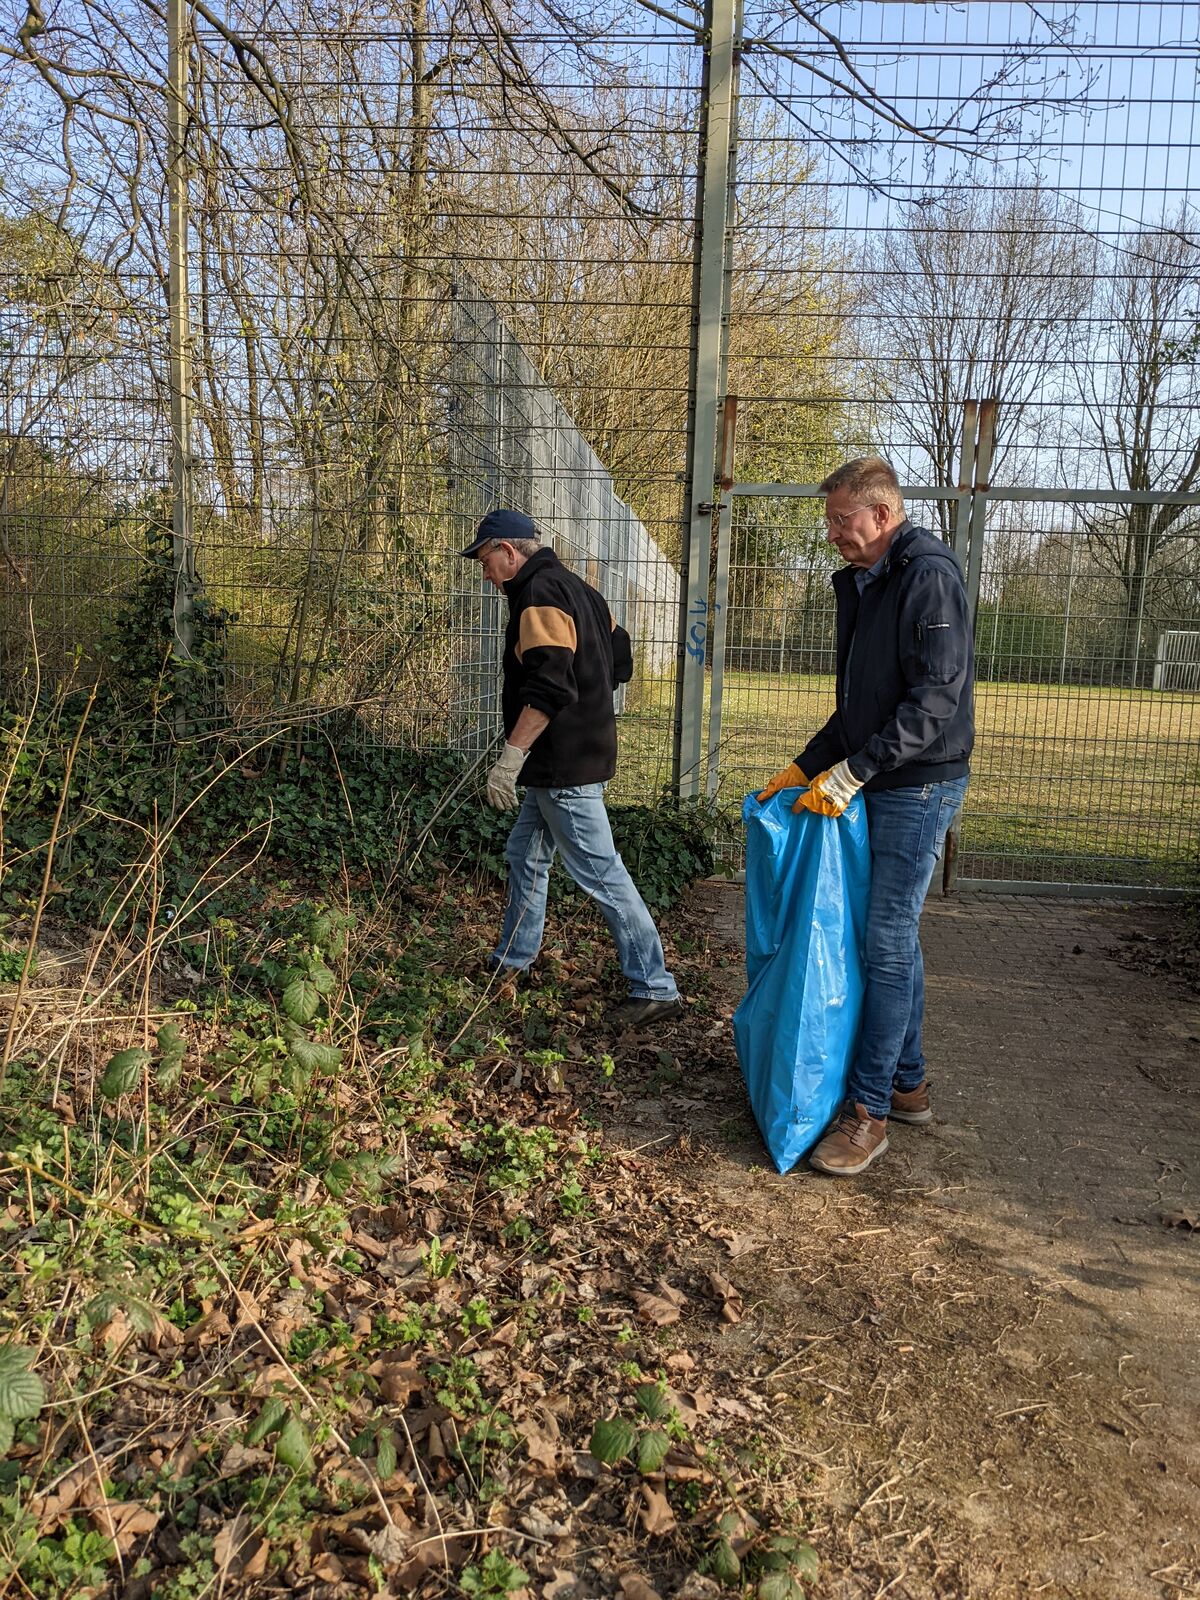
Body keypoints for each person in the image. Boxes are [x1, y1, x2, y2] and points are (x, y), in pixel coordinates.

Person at [757, 457, 974, 1176]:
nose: (832, 536)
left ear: (882, 515)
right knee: (891, 942)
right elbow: (859, 705)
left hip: (917, 786)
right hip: (883, 776)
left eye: (841, 521)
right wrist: (808, 763)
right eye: (829, 522)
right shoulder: (869, 582)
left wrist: (854, 770)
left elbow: (936, 698)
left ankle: (869, 1113)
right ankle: (908, 1085)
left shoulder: (927, 576)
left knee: (883, 942)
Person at [461, 508, 682, 1027]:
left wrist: (509, 759)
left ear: (509, 552)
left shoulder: (538, 597)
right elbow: (619, 657)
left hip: (562, 767)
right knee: (525, 853)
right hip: (571, 758)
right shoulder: (583, 591)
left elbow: (549, 688)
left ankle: (655, 986)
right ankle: (512, 959)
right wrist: (588, 708)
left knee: (602, 875)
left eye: (486, 561)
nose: (486, 574)